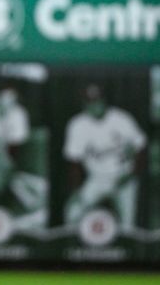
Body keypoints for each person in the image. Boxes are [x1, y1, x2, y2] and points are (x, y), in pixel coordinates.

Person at [63, 84, 147, 231]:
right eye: (90, 102)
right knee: (72, 212)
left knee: (128, 225)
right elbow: (74, 161)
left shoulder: (122, 118)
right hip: (97, 179)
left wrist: (132, 174)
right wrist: (76, 190)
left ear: (104, 101)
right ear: (84, 104)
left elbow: (141, 147)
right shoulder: (77, 125)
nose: (95, 105)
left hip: (124, 177)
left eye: (98, 101)